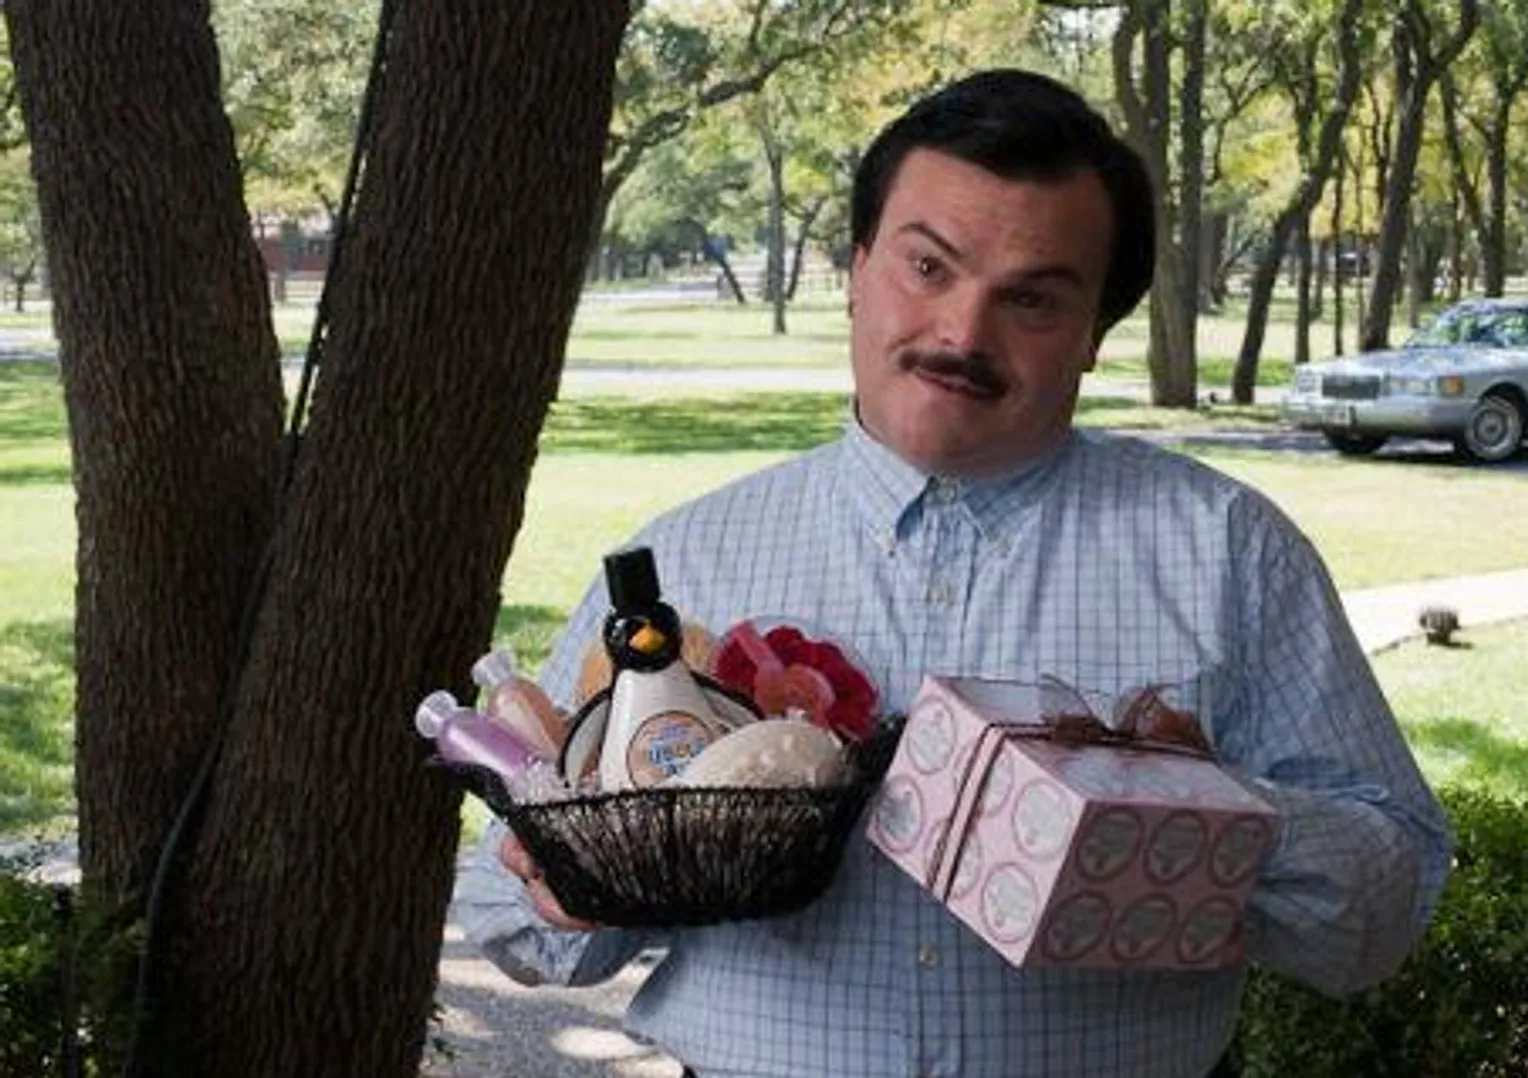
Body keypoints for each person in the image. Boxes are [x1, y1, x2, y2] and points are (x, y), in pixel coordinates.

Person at [453, 68, 1450, 1078]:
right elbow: (514, 922)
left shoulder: (1230, 551)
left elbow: (1385, 911)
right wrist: (581, 871)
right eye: (928, 267)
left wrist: (1213, 816)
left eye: (1032, 299)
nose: (964, 334)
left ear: (1096, 333)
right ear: (856, 269)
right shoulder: (681, 570)